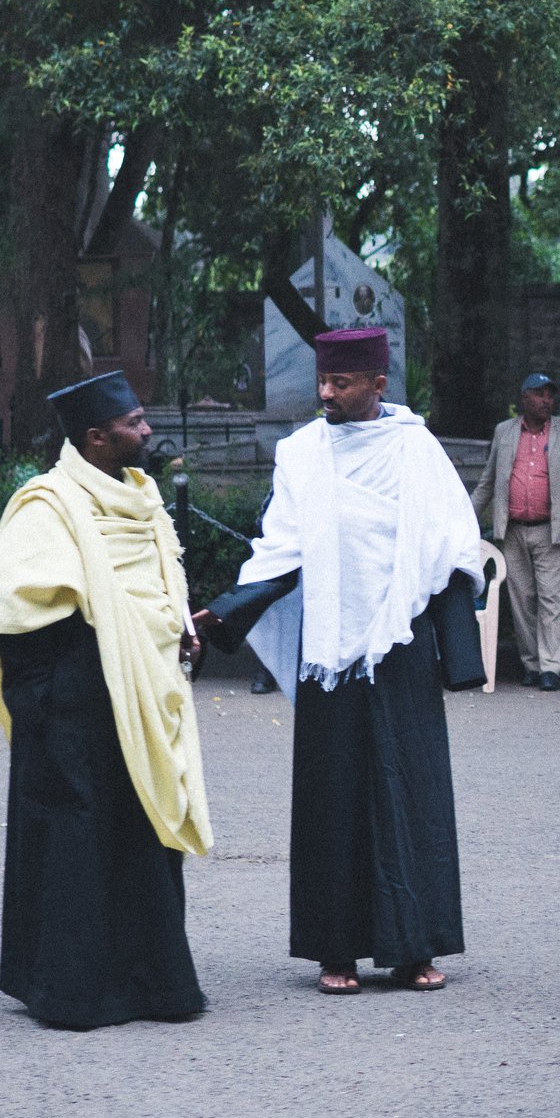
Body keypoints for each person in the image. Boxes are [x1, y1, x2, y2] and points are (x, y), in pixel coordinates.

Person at [193, 328, 486, 997]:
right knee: (334, 802)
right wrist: (224, 612)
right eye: (322, 382)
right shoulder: (302, 455)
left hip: (401, 648)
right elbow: (281, 551)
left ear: (378, 385)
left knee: (412, 795)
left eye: (342, 383)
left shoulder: (416, 450)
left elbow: (454, 548)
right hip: (329, 655)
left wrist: (459, 655)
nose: (326, 392)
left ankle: (414, 950)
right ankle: (336, 952)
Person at [0, 370, 212, 1030]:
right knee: (77, 840)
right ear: (97, 438)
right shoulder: (45, 506)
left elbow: (164, 587)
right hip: (77, 710)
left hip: (142, 694)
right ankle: (76, 993)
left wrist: (178, 633)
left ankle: (154, 984)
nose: (147, 428)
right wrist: (67, 698)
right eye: (133, 422)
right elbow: (8, 610)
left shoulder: (146, 499)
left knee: (145, 837)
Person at [471, 371, 560, 690]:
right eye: (539, 394)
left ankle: (550, 668)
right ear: (524, 399)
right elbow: (488, 482)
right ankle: (530, 664)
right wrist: (464, 519)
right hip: (512, 530)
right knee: (522, 599)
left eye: (550, 394)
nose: (547, 400)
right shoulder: (504, 431)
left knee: (552, 599)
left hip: (551, 530)